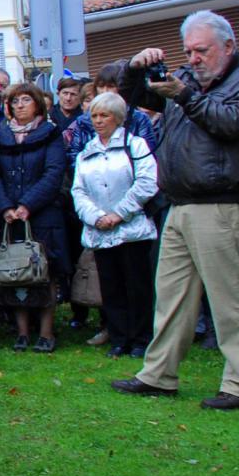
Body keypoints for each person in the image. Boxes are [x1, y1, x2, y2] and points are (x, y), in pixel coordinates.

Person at [111, 9, 239, 411]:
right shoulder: (186, 81)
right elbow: (132, 97)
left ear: (228, 46)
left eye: (202, 50)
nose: (194, 58)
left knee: (230, 299)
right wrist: (135, 68)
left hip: (222, 205)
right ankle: (158, 375)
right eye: (189, 51)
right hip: (181, 205)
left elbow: (231, 123)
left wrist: (184, 95)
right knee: (171, 298)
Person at [71, 92, 158, 358]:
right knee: (110, 288)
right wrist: (97, 217)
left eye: (104, 115)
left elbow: (147, 182)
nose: (98, 121)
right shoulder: (85, 153)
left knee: (138, 287)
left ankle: (141, 338)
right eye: (94, 115)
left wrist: (119, 214)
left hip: (132, 231)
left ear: (118, 118)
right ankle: (119, 338)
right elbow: (78, 191)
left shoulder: (136, 146)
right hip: (100, 232)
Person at [0, 83, 68, 352]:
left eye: (25, 100)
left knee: (45, 271)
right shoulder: (0, 135)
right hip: (9, 216)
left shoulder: (51, 133)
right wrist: (6, 206)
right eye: (15, 101)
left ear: (38, 105)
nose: (19, 105)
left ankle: (46, 332)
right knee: (14, 270)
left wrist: (27, 204)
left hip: (43, 214)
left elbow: (54, 172)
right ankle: (21, 332)